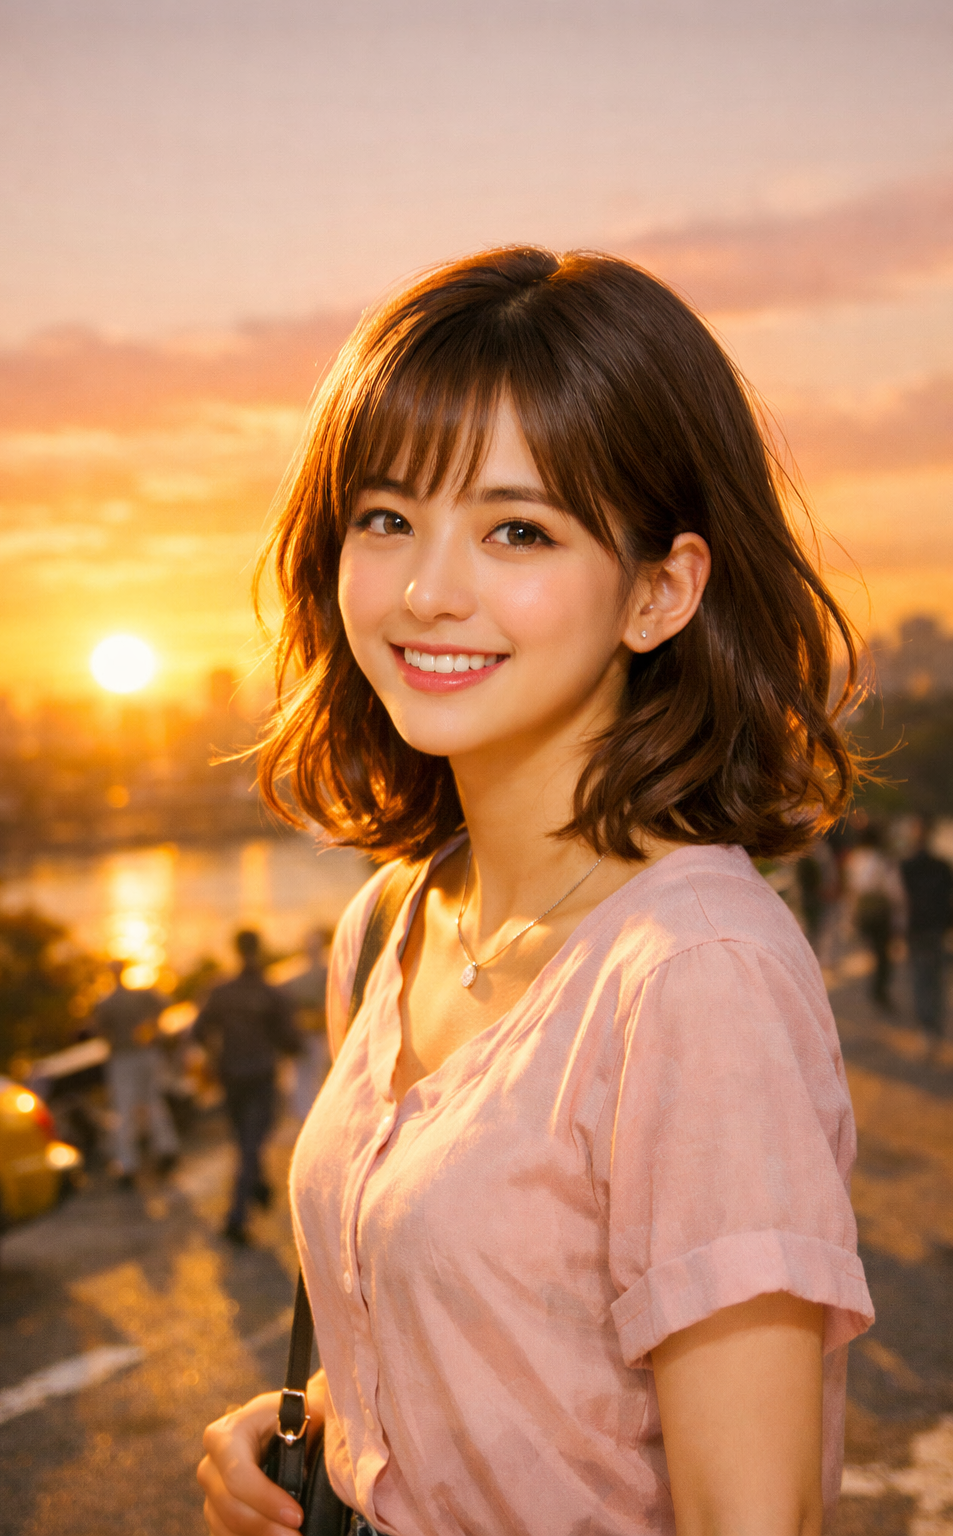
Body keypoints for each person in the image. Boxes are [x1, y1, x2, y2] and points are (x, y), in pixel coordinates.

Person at [198, 248, 874, 1535]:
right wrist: (322, 1425)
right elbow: (504, 1365)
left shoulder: (693, 981)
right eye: (385, 517)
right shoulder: (392, 925)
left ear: (659, 592)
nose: (427, 590)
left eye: (518, 529)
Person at [193, 929, 304, 1244]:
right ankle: (237, 1217)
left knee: (246, 1141)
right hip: (261, 1076)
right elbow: (291, 1041)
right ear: (261, 949)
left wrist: (214, 1057)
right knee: (250, 1145)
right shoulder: (272, 994)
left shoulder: (220, 992)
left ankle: (258, 1186)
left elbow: (198, 1031)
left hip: (230, 1076)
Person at [91, 959, 179, 1186]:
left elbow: (99, 1031)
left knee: (125, 1109)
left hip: (123, 1058)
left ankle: (128, 1163)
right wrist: (152, 1027)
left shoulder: (107, 1002)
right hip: (146, 1054)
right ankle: (165, 1148)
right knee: (153, 1102)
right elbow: (166, 1003)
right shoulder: (141, 996)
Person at [899, 818, 953, 1050]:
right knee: (936, 976)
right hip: (936, 927)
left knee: (920, 977)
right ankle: (935, 1025)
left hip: (916, 926)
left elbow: (900, 900)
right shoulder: (942, 866)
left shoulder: (906, 866)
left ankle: (926, 1026)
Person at [845, 823, 903, 1012]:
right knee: (883, 954)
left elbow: (852, 890)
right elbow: (893, 891)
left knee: (874, 952)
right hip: (879, 911)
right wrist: (899, 917)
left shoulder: (855, 859)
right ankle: (879, 992)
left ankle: (876, 990)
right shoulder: (882, 860)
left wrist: (850, 917)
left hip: (863, 910)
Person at [279, 928, 333, 1121]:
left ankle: (315, 1115)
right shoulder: (295, 973)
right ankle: (309, 1116)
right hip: (306, 1034)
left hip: (324, 1033)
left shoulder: (329, 969)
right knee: (306, 1076)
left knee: (317, 1075)